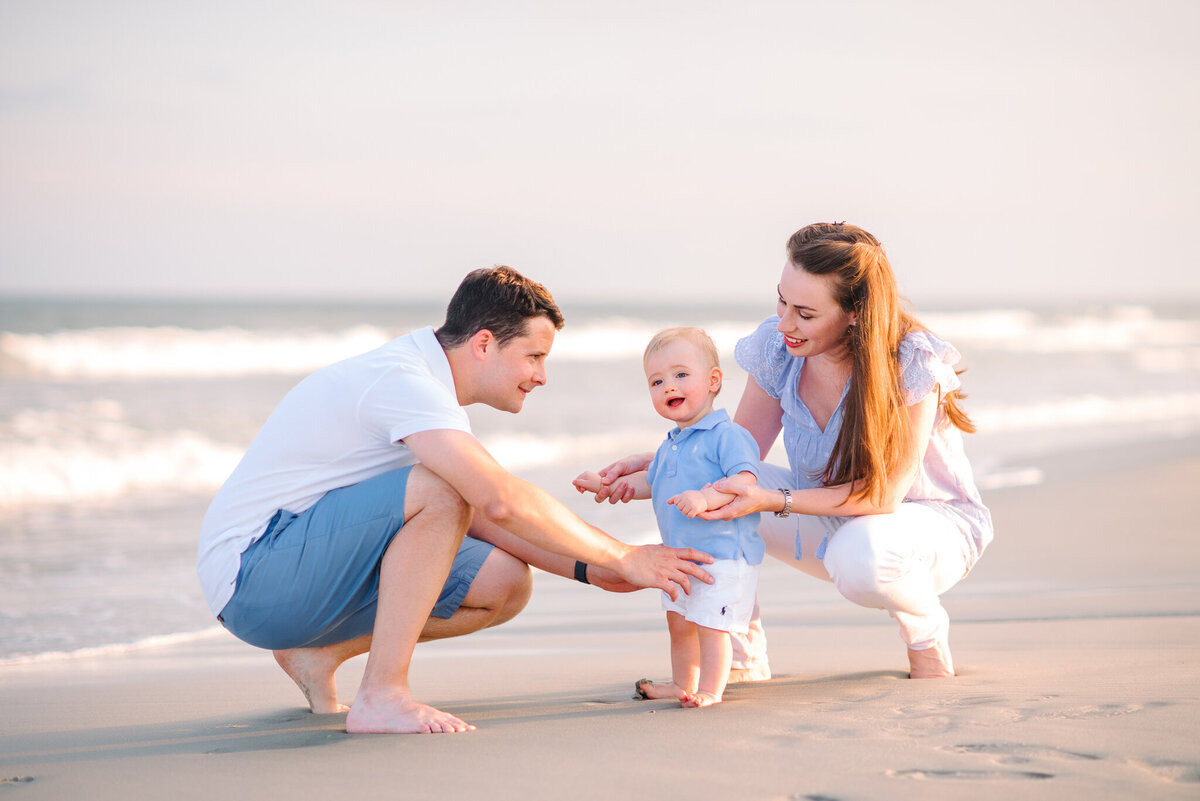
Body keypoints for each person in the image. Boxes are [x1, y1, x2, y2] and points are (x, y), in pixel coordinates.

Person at [197, 266, 714, 735]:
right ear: (485, 343)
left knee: (504, 583)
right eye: (533, 356)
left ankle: (318, 656)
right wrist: (623, 555)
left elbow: (480, 516)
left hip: (299, 573)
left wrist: (592, 570)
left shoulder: (423, 383)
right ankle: (382, 696)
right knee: (445, 485)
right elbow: (495, 499)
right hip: (254, 576)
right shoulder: (404, 381)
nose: (541, 375)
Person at [590, 223, 993, 680]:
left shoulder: (910, 361)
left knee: (861, 553)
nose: (785, 323)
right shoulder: (780, 349)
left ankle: (926, 635)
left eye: (805, 312)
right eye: (782, 301)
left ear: (855, 312)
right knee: (715, 492)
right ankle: (742, 657)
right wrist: (664, 461)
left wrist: (773, 500)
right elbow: (731, 454)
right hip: (828, 518)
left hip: (924, 531)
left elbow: (883, 498)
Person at [574, 327, 762, 707]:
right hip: (679, 557)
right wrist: (609, 485)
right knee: (679, 623)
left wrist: (707, 497)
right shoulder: (672, 443)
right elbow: (652, 481)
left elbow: (745, 481)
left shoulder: (728, 435)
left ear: (713, 381)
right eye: (656, 381)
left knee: (711, 626)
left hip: (720, 557)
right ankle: (682, 682)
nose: (667, 387)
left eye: (680, 375)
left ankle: (711, 689)